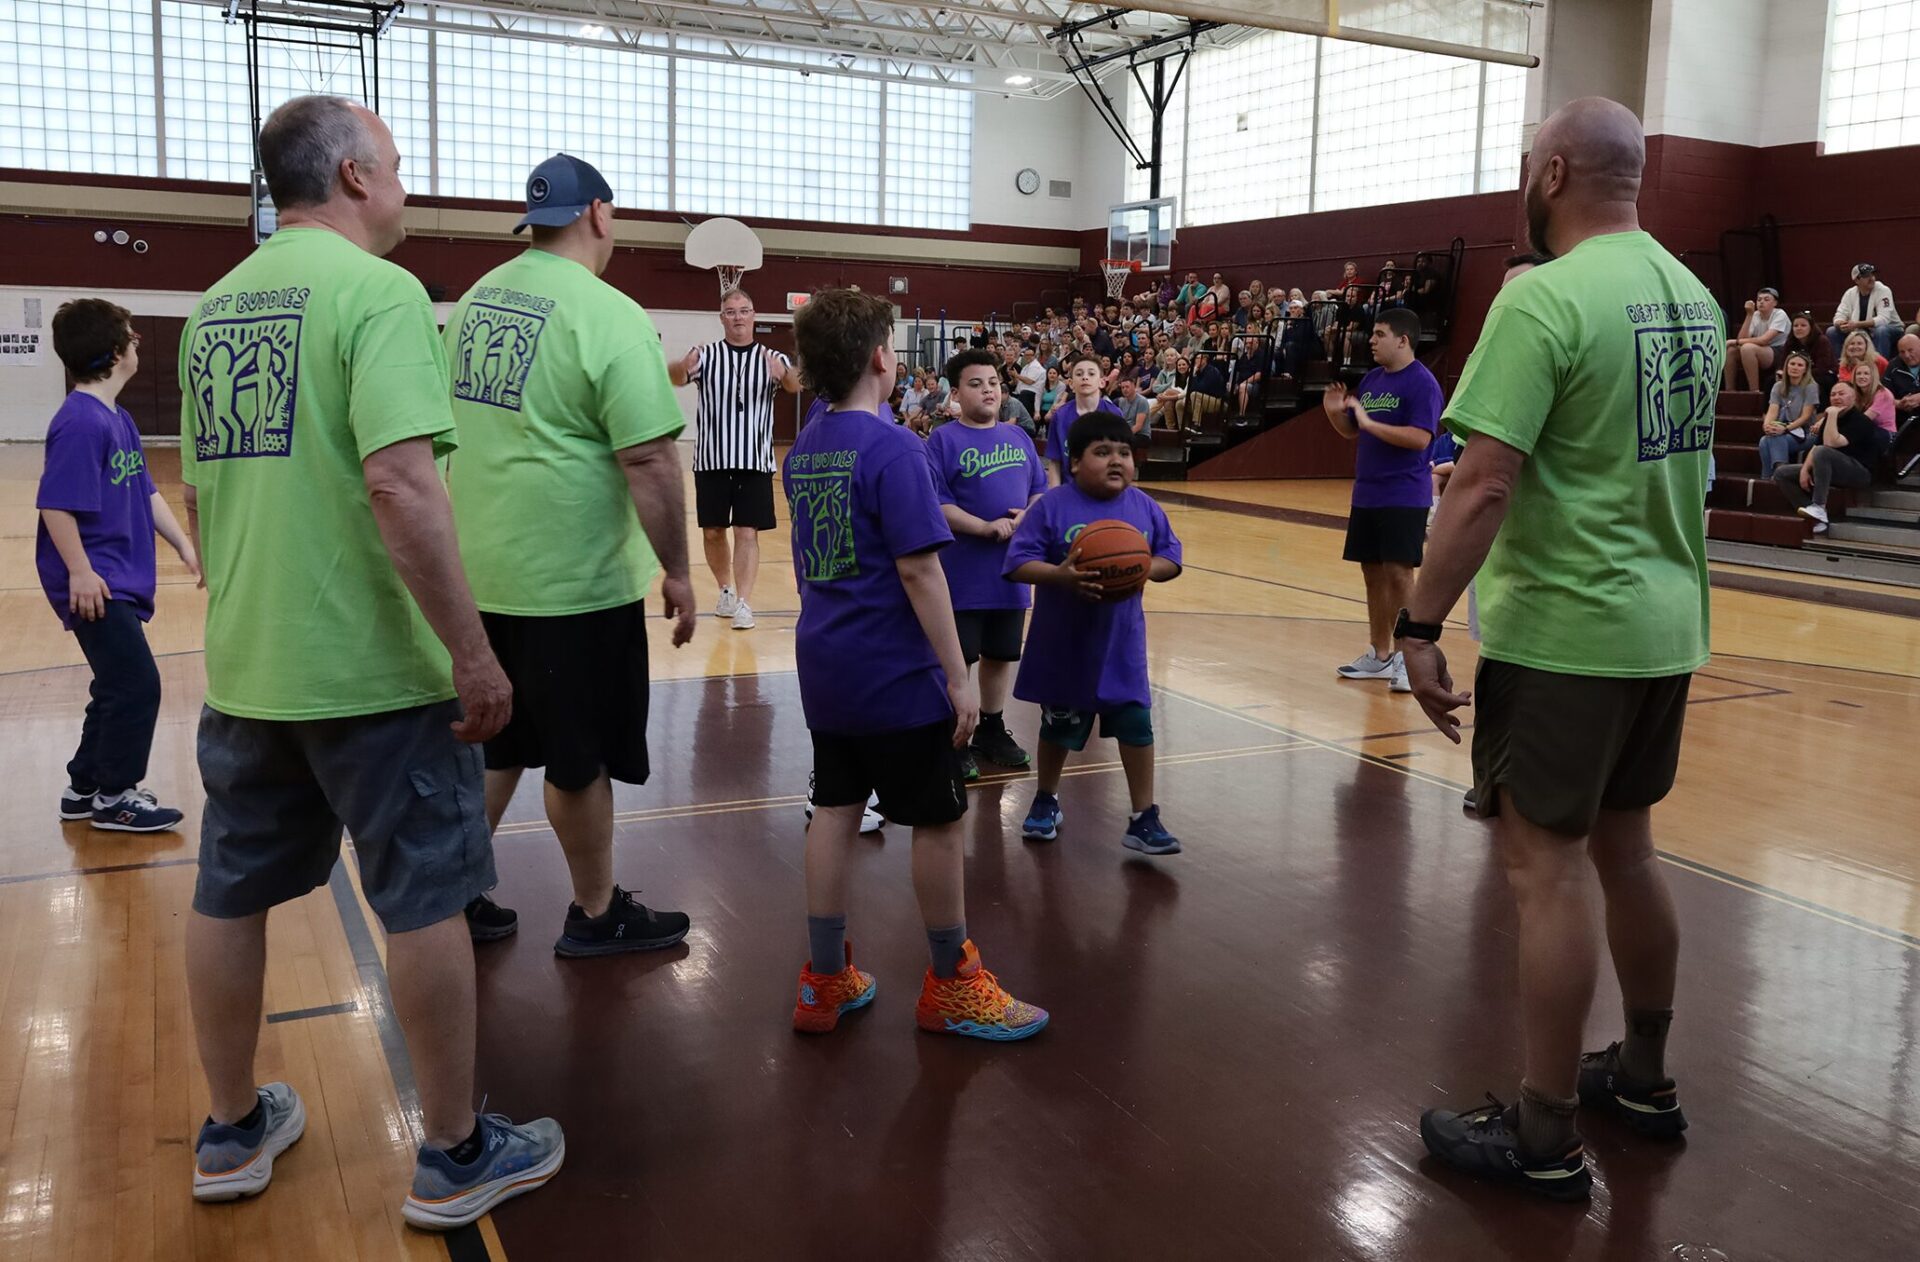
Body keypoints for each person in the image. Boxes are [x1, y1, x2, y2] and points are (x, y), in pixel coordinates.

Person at [178, 94, 560, 1228]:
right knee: (427, 898)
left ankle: (232, 1127)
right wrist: (474, 653)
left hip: (250, 664)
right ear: (351, 175)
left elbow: (202, 497)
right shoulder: (381, 296)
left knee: (229, 892)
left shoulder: (214, 308)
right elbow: (402, 485)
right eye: (392, 164)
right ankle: (451, 1152)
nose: (404, 182)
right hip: (374, 674)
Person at [1400, 98, 1714, 1203]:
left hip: (1569, 627)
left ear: (1554, 171)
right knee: (1628, 851)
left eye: (1527, 164)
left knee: (1546, 872)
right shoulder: (1694, 296)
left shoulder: (1542, 298)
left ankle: (1541, 1129)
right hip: (1666, 624)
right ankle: (1644, 1074)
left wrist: (1420, 621)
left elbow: (1485, 481)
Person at [444, 152, 697, 953]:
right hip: (571, 581)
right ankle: (595, 912)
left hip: (479, 569)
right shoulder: (608, 312)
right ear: (599, 215)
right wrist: (681, 570)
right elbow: (650, 458)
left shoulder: (479, 300)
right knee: (576, 755)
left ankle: (453, 897)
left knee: (498, 740)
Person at [783, 288, 1048, 1042]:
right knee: (936, 819)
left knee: (834, 809)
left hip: (826, 658)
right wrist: (957, 676)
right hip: (894, 671)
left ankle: (824, 978)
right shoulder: (895, 447)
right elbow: (922, 574)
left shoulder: (806, 447)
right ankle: (953, 983)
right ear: (880, 358)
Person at [37, 299, 199, 833]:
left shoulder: (118, 418)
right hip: (96, 582)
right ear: (113, 352)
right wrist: (81, 572)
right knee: (137, 684)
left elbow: (144, 489)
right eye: (131, 336)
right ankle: (116, 797)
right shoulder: (81, 422)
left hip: (116, 576)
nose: (138, 343)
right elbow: (55, 504)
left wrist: (182, 543)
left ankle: (83, 787)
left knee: (114, 684)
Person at [1009, 412, 1184, 856]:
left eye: (1124, 452)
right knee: (1058, 730)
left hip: (1122, 649)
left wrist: (1141, 568)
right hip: (1066, 647)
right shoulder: (1051, 506)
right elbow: (1017, 562)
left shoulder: (1144, 507)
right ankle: (1046, 798)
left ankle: (1143, 816)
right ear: (1073, 462)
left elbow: (1170, 558)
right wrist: (1061, 575)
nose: (1116, 461)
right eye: (1102, 452)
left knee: (1138, 728)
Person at [924, 350, 1047, 781]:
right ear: (956, 394)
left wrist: (1025, 518)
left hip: (1010, 573)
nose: (988, 390)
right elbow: (937, 503)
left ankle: (991, 727)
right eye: (976, 384)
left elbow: (1038, 490)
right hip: (963, 574)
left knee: (1001, 653)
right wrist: (984, 527)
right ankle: (953, 736)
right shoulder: (942, 440)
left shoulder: (1019, 440)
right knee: (962, 659)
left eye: (993, 382)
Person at [1323, 307, 1443, 694]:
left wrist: (1372, 423)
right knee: (1372, 572)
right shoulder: (1373, 380)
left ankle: (1409, 661)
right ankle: (1379, 655)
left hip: (1404, 494)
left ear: (1402, 340)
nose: (1370, 341)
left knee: (1398, 573)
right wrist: (1335, 416)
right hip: (1368, 492)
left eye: (1378, 334)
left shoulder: (1423, 384)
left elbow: (1421, 439)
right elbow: (1352, 432)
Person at [669, 288, 802, 631]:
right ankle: (725, 590)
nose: (738, 317)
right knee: (713, 532)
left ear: (754, 314)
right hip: (712, 459)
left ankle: (744, 601)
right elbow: (676, 377)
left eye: (744, 310)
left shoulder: (772, 357)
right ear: (722, 318)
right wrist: (681, 366)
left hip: (754, 460)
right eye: (731, 312)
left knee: (747, 531)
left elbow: (796, 384)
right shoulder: (707, 355)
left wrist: (783, 375)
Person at [1773, 380, 1893, 532]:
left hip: (1860, 472)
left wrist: (1832, 415)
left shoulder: (1861, 421)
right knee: (1782, 473)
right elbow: (1816, 446)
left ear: (1853, 397)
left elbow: (1831, 443)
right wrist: (1805, 470)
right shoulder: (1831, 419)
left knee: (1824, 452)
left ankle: (1819, 506)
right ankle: (1815, 517)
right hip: (1831, 467)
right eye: (1833, 394)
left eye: (1841, 394)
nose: (1836, 397)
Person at [1043, 351, 1124, 485]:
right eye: (1079, 374)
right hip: (1069, 492)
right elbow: (1055, 462)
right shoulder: (1060, 416)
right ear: (1071, 383)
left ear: (1102, 382)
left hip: (1104, 491)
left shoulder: (1114, 414)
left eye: (1091, 374)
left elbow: (1121, 461)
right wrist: (1055, 498)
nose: (1085, 378)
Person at [1756, 350, 1821, 477]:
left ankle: (1779, 473)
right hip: (1783, 429)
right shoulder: (1778, 386)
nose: (1795, 367)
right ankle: (1771, 476)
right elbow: (1772, 411)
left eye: (1800, 365)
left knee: (1773, 438)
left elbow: (1806, 416)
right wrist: (1767, 426)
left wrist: (1785, 429)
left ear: (1805, 370)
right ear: (1786, 366)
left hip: (1806, 432)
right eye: (1792, 364)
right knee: (1765, 439)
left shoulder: (1811, 387)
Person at [1827, 262, 1900, 362]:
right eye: (1866, 276)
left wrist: (1856, 324)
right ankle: (1842, 367)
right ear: (1856, 280)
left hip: (1892, 329)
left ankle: (1879, 368)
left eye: (1872, 275)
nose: (1872, 278)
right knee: (1832, 331)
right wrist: (1841, 324)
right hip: (1860, 331)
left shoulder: (1883, 290)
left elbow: (1884, 319)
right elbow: (1839, 315)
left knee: (1881, 330)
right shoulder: (1850, 293)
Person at [1723, 287, 1790, 391]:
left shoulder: (1780, 314)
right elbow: (1742, 339)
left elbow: (1764, 340)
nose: (1761, 302)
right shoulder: (1755, 314)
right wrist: (1749, 315)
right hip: (1762, 349)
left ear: (1775, 303)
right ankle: (1729, 390)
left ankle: (1754, 391)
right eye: (1759, 300)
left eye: (1766, 299)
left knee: (1747, 348)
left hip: (1779, 351)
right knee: (1731, 351)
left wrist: (1734, 341)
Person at [1782, 311, 1837, 391]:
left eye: (1803, 325)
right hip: (1795, 373)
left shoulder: (1822, 341)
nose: (1799, 328)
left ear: (1811, 327)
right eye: (1795, 326)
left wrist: (1801, 373)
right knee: (1771, 380)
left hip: (1820, 374)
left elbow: (1822, 368)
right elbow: (1783, 363)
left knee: (1821, 382)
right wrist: (1781, 371)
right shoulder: (1790, 342)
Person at [1848, 358, 1898, 435]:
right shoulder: (1854, 393)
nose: (1861, 376)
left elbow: (1864, 420)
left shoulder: (1883, 394)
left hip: (1887, 434)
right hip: (1867, 431)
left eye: (1866, 373)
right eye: (1858, 374)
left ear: (1873, 376)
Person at [1185, 350, 1229, 433]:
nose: (1195, 360)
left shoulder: (1211, 371)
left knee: (1195, 395)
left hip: (1217, 402)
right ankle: (1182, 429)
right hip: (1203, 401)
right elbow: (1190, 388)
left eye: (1197, 358)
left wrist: (1193, 375)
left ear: (1204, 359)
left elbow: (1202, 388)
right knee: (1180, 403)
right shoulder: (1198, 371)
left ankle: (1196, 425)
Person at [1884, 332, 1920, 425]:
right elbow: (1884, 395)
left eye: (1910, 350)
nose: (1906, 355)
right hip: (1904, 417)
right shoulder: (1893, 366)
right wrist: (1898, 404)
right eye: (1902, 352)